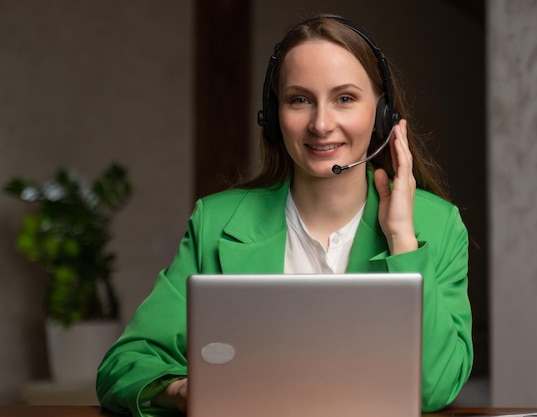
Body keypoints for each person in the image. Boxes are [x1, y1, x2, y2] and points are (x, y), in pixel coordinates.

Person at [96, 14, 473, 416]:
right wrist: (179, 391)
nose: (321, 124)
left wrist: (402, 239)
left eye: (344, 98)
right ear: (274, 116)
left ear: (382, 114)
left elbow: (435, 387)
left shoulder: (437, 225)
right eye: (300, 100)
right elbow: (122, 366)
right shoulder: (216, 222)